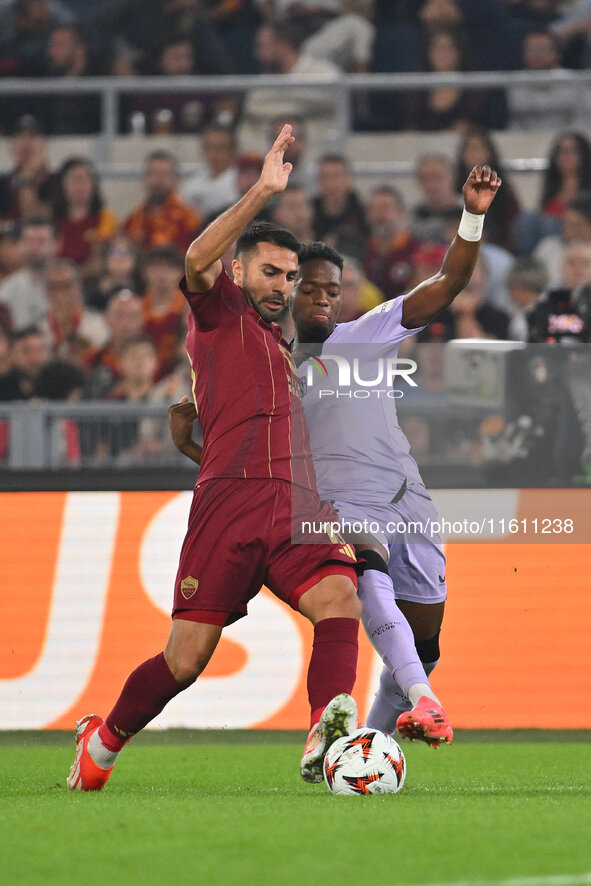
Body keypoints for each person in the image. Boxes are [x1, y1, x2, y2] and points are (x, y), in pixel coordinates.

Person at [68, 125, 362, 792]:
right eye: (269, 271)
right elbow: (196, 258)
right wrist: (262, 187)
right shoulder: (219, 312)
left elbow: (245, 438)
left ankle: (326, 731)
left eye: (290, 276)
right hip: (228, 514)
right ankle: (104, 741)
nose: (282, 286)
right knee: (186, 659)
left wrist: (193, 446)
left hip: (295, 507)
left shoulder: (278, 350)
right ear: (238, 272)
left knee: (340, 599)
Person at [169, 161, 501, 743]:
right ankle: (417, 707)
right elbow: (248, 472)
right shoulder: (263, 364)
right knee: (364, 582)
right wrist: (191, 445)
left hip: (407, 500)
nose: (322, 298)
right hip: (337, 512)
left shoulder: (366, 335)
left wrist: (471, 216)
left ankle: (368, 745)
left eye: (332, 289)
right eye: (309, 286)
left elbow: (447, 283)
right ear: (287, 289)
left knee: (424, 646)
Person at [124, 151, 203, 254]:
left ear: (176, 180)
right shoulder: (133, 221)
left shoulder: (191, 219)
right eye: (152, 173)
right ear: (144, 179)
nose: (158, 180)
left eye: (164, 174)